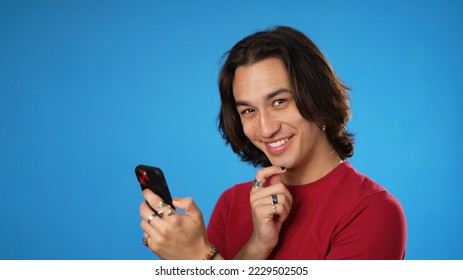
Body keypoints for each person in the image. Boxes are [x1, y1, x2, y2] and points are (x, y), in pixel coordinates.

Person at [139, 26, 407, 260]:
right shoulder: (232, 203)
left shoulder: (373, 212)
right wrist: (257, 246)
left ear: (318, 97)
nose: (266, 129)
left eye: (279, 102)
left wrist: (199, 258)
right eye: (248, 111)